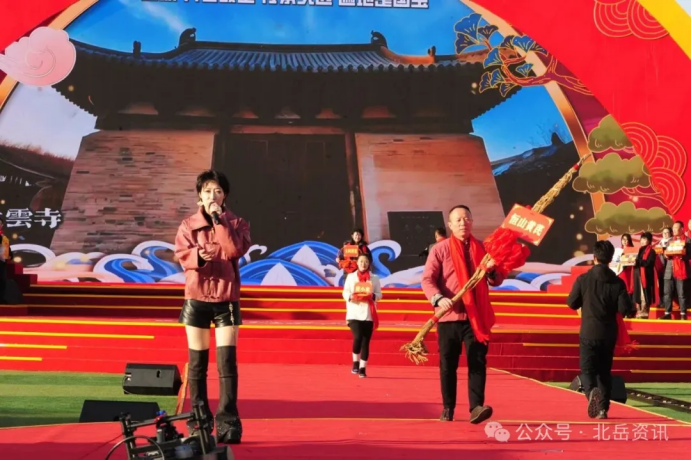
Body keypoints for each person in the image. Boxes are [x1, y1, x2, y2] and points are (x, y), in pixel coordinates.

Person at [174, 170, 251, 444]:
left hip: (226, 299)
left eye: (218, 191)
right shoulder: (187, 225)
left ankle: (228, 423)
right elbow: (182, 255)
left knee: (226, 363)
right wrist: (199, 255)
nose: (212, 196)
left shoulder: (237, 224)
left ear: (224, 196)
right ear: (199, 195)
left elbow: (233, 250)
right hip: (196, 298)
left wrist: (220, 222)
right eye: (207, 191)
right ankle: (199, 423)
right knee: (197, 366)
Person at [421, 205, 502, 425]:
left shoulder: (483, 249)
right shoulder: (440, 249)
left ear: (472, 222)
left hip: (476, 318)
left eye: (466, 219)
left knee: (477, 362)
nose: (462, 223)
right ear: (449, 225)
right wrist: (438, 298)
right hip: (449, 316)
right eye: (457, 220)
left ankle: (476, 408)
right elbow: (427, 279)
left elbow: (495, 280)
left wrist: (492, 270)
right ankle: (448, 407)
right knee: (448, 365)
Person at [567, 240, 633, 419]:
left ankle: (591, 393)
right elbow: (625, 309)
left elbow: (572, 302)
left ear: (594, 258)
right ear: (610, 259)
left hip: (588, 331)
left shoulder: (583, 279)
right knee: (604, 372)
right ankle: (603, 409)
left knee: (587, 369)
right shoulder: (618, 283)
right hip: (608, 333)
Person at [342, 253, 382, 378]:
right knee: (358, 337)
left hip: (368, 313)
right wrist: (351, 296)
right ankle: (355, 362)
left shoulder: (374, 278)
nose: (363, 264)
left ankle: (363, 368)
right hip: (354, 312)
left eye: (365, 262)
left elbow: (379, 294)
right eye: (361, 261)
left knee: (366, 342)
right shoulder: (351, 277)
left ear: (369, 263)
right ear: (357, 263)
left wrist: (372, 296)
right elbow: (345, 292)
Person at [662, 221, 690, 320]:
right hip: (669, 269)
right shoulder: (670, 241)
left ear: (682, 229)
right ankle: (667, 313)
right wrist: (666, 255)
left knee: (681, 293)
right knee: (667, 292)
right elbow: (666, 252)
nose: (673, 230)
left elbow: (690, 255)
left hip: (681, 268)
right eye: (673, 228)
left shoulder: (688, 241)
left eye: (676, 228)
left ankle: (683, 313)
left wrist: (683, 256)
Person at [632, 232, 656, 319]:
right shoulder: (638, 250)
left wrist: (638, 262)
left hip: (646, 276)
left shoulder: (652, 251)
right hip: (637, 275)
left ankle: (644, 313)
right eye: (641, 239)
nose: (642, 241)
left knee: (644, 294)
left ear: (649, 241)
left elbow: (649, 263)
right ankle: (638, 311)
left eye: (645, 239)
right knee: (637, 293)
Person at [656, 227, 673, 307]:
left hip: (669, 266)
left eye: (667, 232)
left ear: (670, 233)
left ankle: (670, 302)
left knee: (669, 285)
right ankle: (661, 301)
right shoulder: (660, 243)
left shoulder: (673, 242)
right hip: (661, 267)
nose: (665, 234)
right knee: (661, 284)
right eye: (664, 233)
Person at [0, 217, 10, 305]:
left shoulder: (4, 238)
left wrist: (10, 255)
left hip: (2, 262)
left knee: (2, 281)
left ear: (2, 225)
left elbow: (8, 249)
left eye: (0, 224)